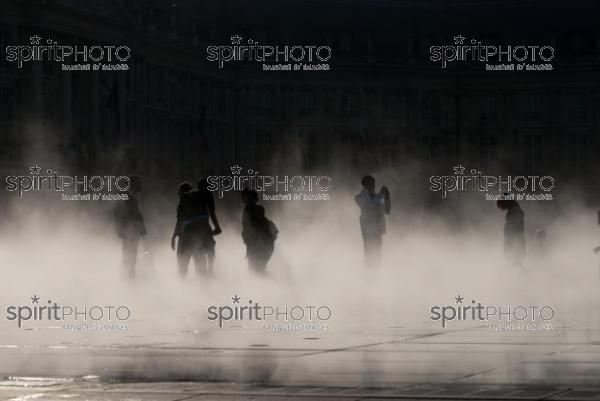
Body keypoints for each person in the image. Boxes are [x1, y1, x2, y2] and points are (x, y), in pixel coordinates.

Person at [172, 178, 222, 277]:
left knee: (182, 264)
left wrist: (174, 236)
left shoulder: (185, 197)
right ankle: (207, 275)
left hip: (186, 232)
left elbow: (179, 220)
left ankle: (182, 285)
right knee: (203, 256)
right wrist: (217, 227)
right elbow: (212, 213)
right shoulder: (206, 194)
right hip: (201, 229)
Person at [114, 176, 147, 278]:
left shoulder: (130, 195)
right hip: (130, 229)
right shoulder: (126, 195)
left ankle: (128, 276)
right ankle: (128, 276)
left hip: (131, 229)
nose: (139, 188)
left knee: (130, 253)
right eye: (137, 184)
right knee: (129, 253)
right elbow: (121, 212)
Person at [354, 175, 391, 266]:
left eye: (373, 184)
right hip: (367, 228)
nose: (372, 186)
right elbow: (370, 206)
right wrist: (381, 195)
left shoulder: (378, 197)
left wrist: (387, 197)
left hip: (378, 229)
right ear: (364, 185)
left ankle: (376, 272)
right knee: (369, 251)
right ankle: (368, 273)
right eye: (369, 184)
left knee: (377, 252)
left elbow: (387, 211)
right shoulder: (359, 197)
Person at [241, 188, 278, 273]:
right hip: (262, 244)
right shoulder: (254, 210)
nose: (242, 198)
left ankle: (267, 283)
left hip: (258, 245)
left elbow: (249, 228)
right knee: (259, 269)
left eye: (244, 196)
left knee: (256, 270)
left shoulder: (249, 210)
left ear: (250, 197)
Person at [497, 194, 526, 266]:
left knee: (515, 265)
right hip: (515, 244)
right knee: (515, 266)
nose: (501, 208)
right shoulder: (514, 211)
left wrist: (509, 246)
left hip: (515, 245)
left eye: (501, 204)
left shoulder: (515, 212)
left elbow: (515, 231)